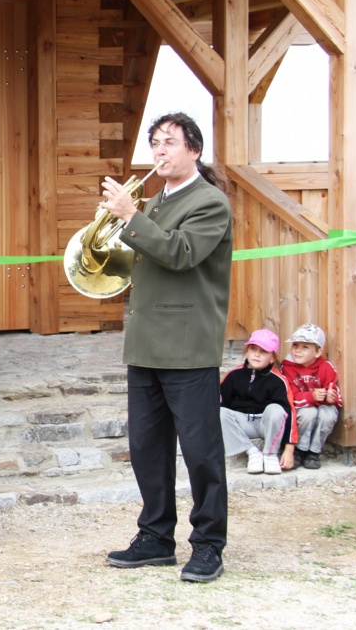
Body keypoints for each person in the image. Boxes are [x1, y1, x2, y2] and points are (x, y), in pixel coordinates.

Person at [99, 112, 232, 583]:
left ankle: (208, 544)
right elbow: (141, 259)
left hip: (188, 344)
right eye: (155, 142)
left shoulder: (210, 202)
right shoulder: (153, 202)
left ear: (194, 149)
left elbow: (181, 253)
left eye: (170, 142)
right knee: (147, 448)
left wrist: (130, 217)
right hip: (145, 343)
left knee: (200, 451)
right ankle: (156, 537)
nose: (160, 150)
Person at [219, 329, 297, 475]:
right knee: (219, 412)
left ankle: (270, 454)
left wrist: (289, 449)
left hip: (266, 424)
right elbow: (222, 401)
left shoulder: (278, 380)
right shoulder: (233, 376)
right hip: (243, 424)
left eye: (263, 351)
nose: (257, 354)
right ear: (247, 351)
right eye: (253, 349)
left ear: (272, 358)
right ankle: (252, 452)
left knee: (276, 409)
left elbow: (289, 413)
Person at [280, 323, 342, 470]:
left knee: (328, 414)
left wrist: (331, 397)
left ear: (318, 352)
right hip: (301, 407)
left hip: (322, 406)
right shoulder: (287, 368)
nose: (298, 350)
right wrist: (311, 396)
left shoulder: (326, 367)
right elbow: (291, 396)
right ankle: (299, 450)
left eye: (305, 347)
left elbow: (334, 391)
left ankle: (314, 452)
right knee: (309, 414)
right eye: (295, 345)